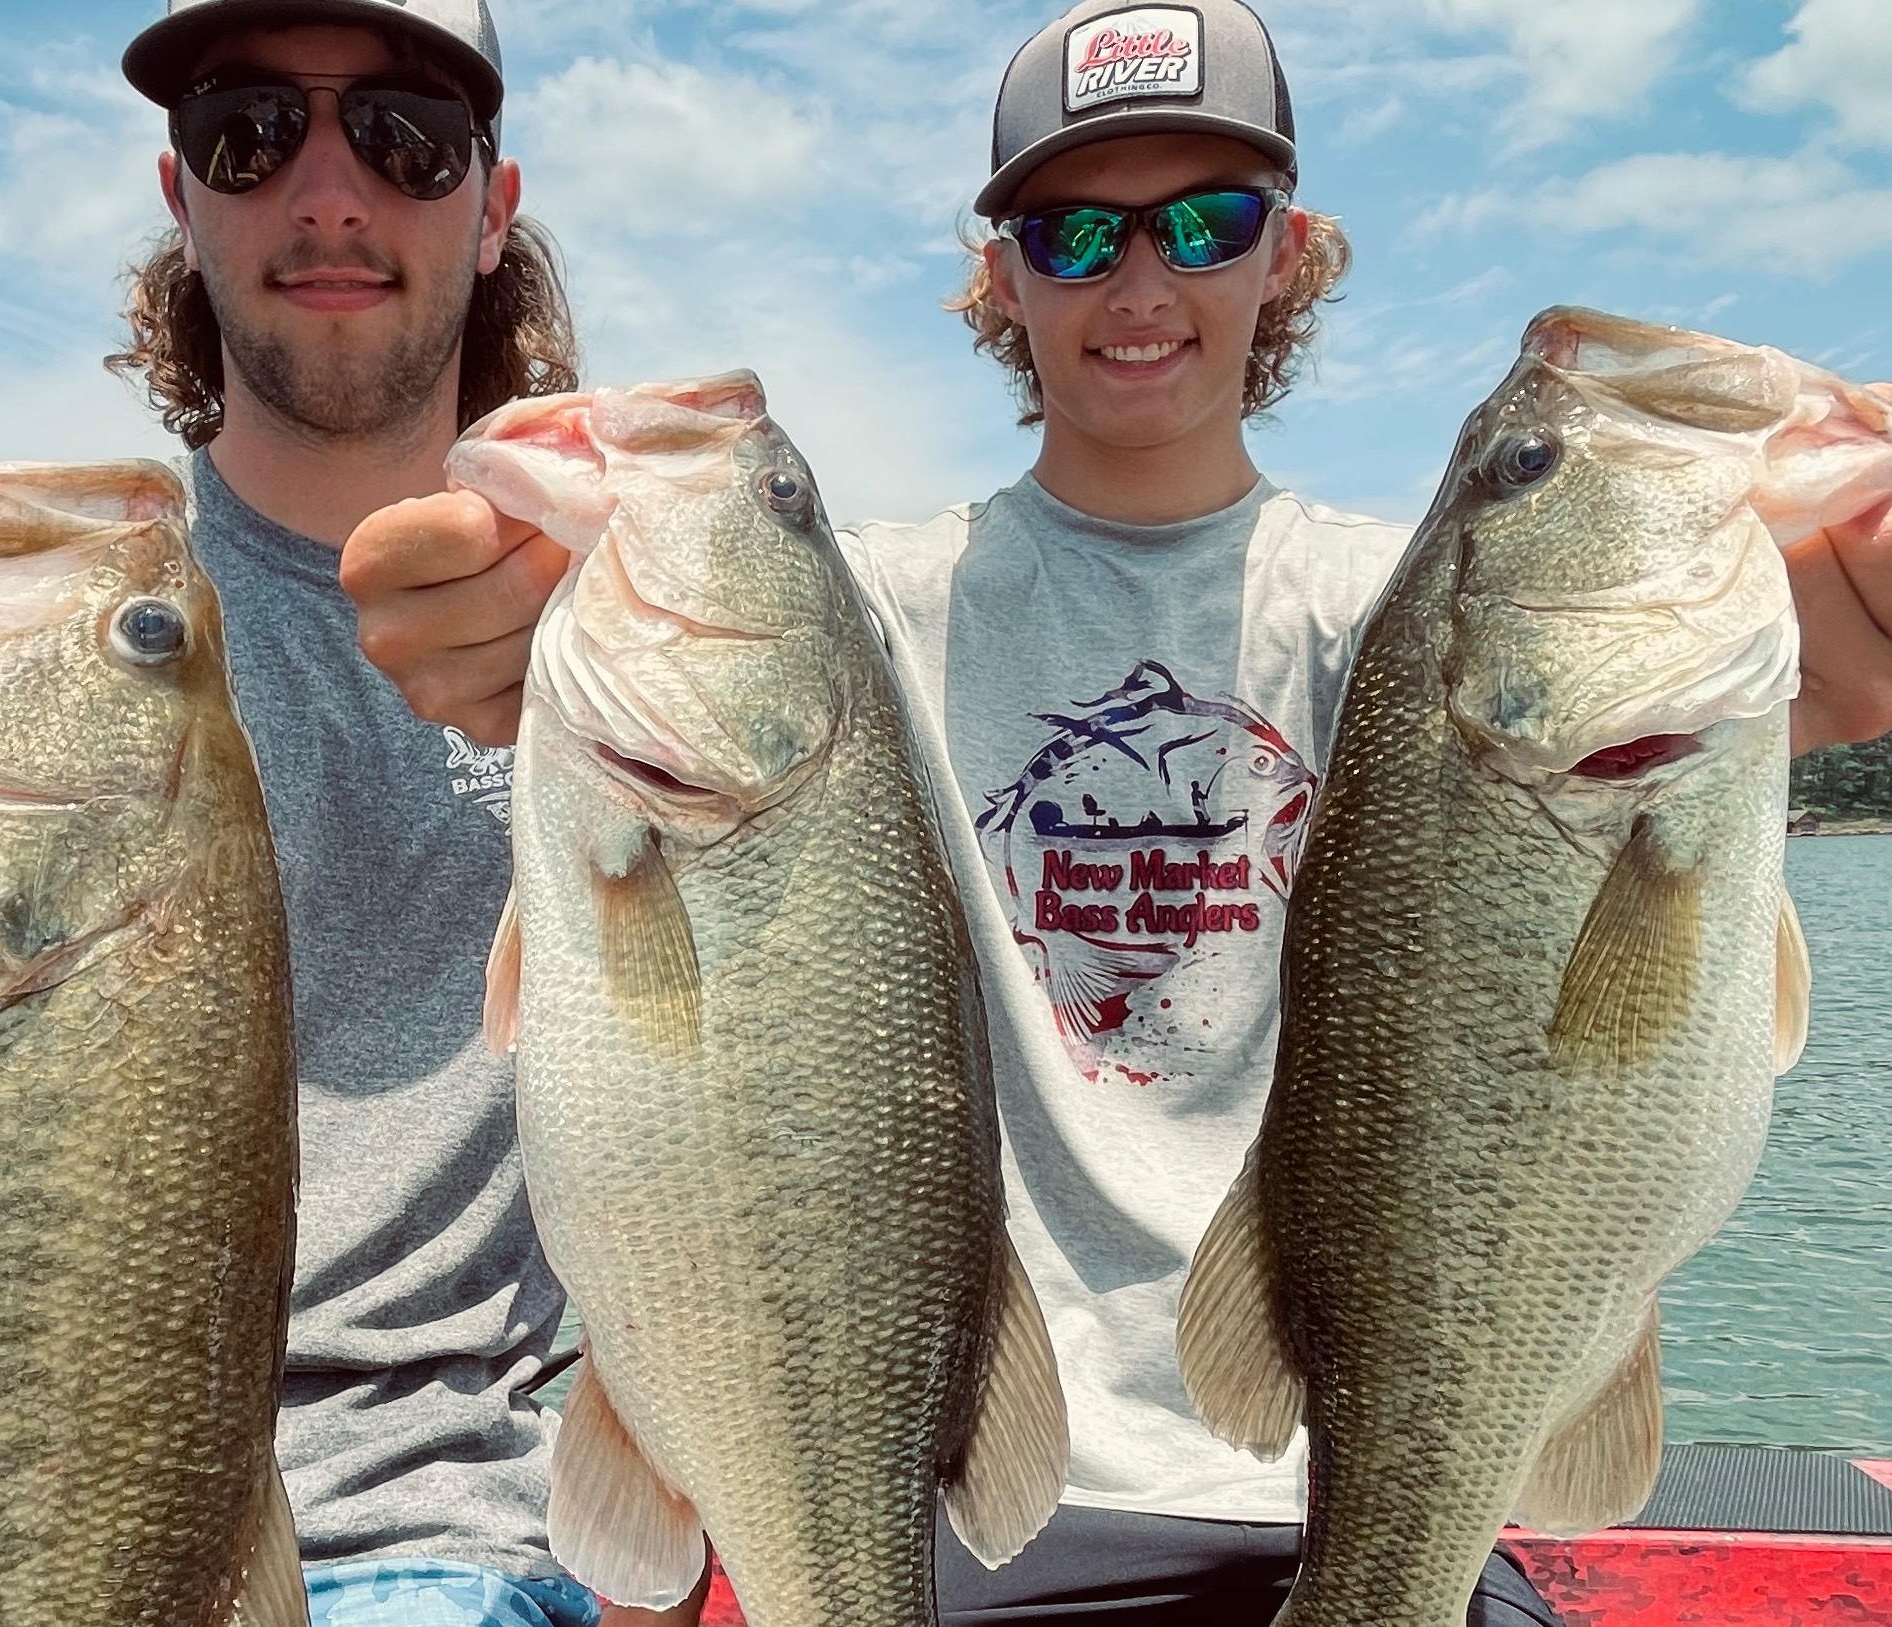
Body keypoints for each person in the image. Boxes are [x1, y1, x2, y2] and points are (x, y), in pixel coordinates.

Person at [339, 2, 1892, 1622]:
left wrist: (1830, 655)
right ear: (999, 273)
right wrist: (491, 618)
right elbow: (580, 686)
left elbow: (1761, 703)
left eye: (1205, 224)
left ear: (1284, 253)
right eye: (1075, 233)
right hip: (993, 1489)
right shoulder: (860, 620)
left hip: (1343, 1469)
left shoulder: (1414, 616)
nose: (1142, 286)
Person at [0, 3, 700, 1624]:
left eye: (404, 137)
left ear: (494, 198)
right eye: (250, 128)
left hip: (440, 1526)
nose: (328, 192)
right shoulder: (47, 618)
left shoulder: (621, 645)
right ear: (181, 197)